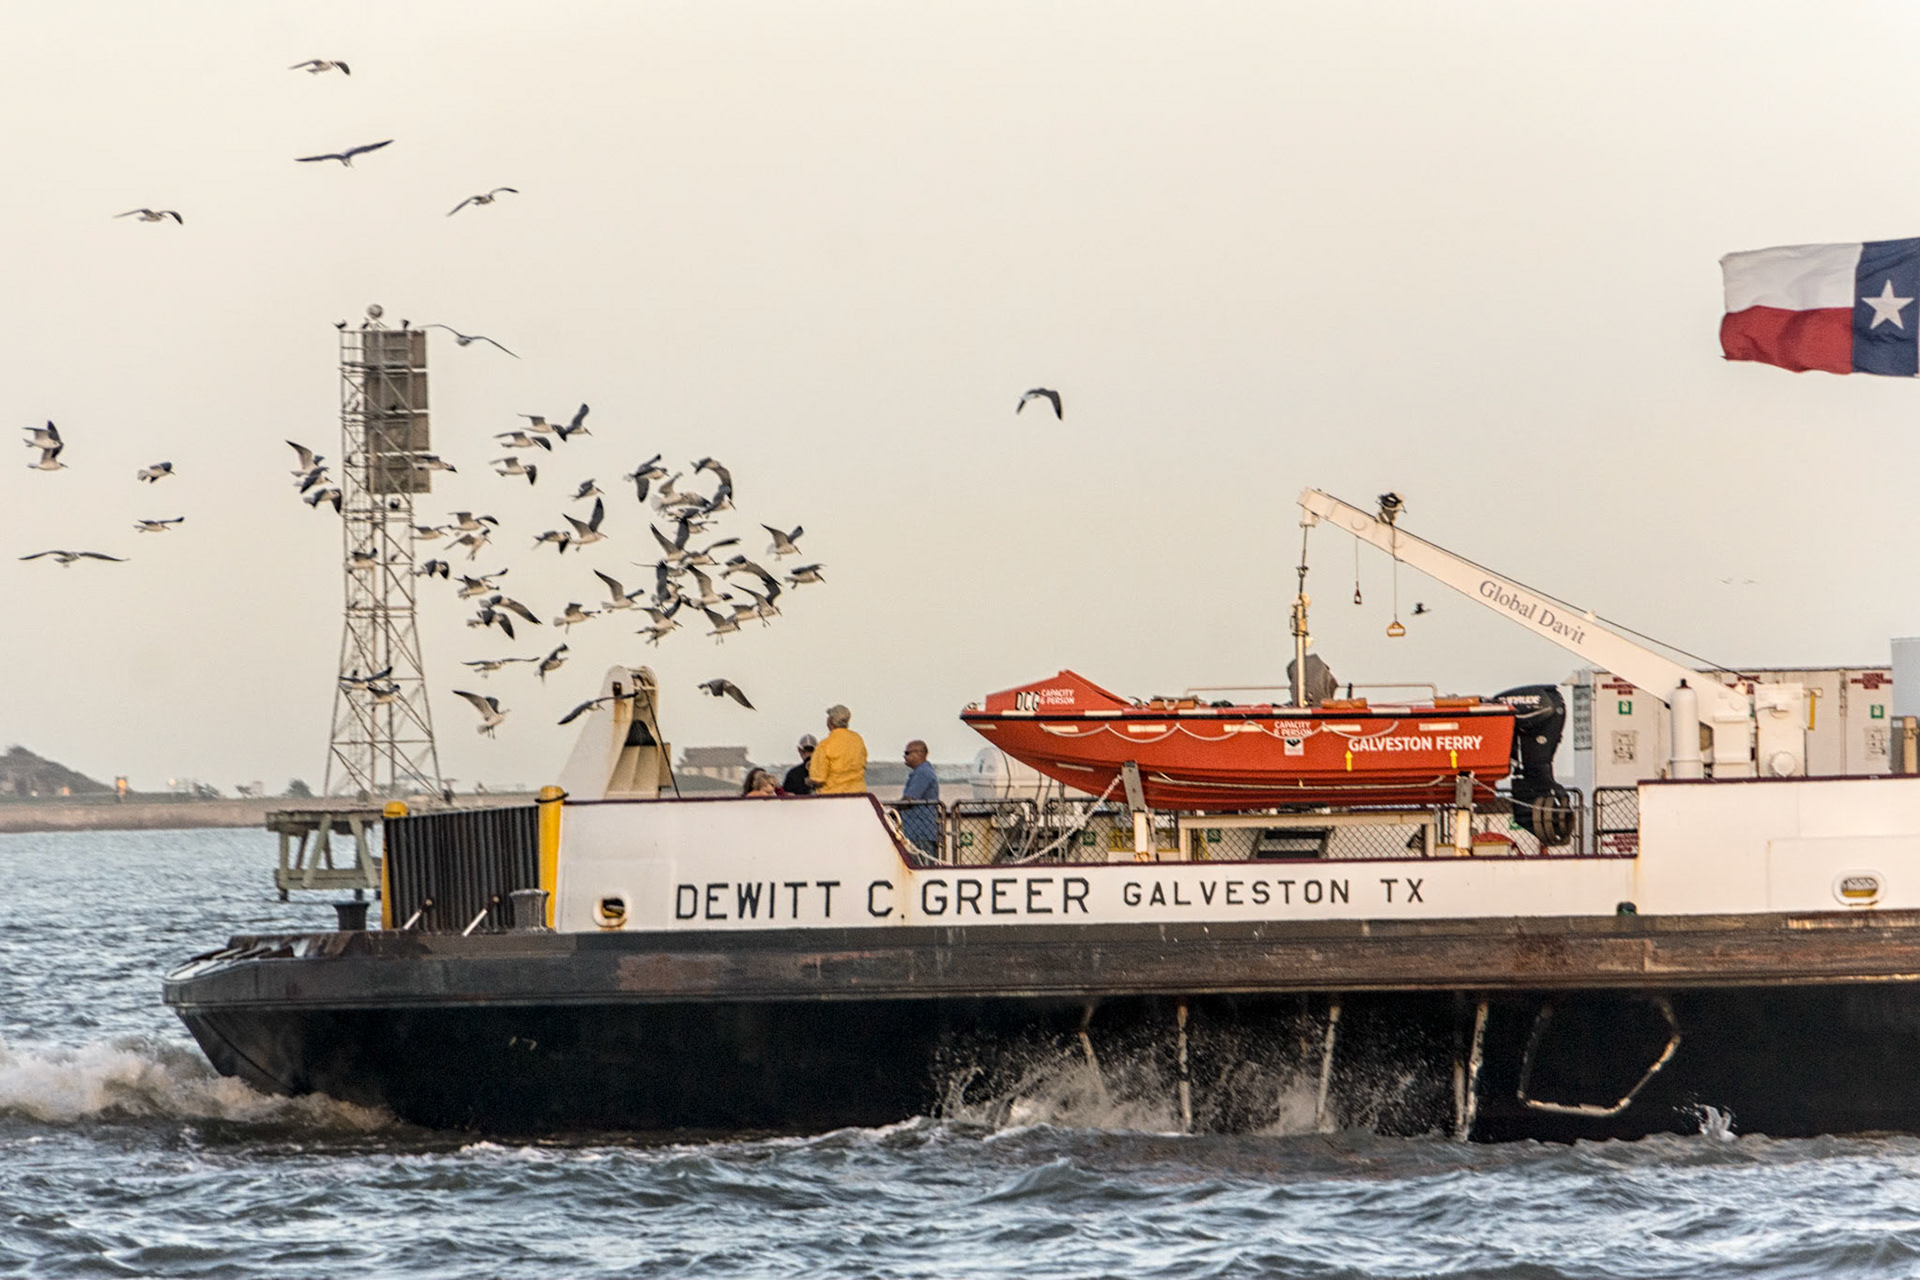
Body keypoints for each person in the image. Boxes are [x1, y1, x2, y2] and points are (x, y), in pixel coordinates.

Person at [807, 704, 868, 795]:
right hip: (859, 795)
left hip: (833, 797)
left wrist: (808, 781)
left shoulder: (825, 745)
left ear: (830, 721)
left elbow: (819, 779)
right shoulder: (858, 740)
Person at [898, 739, 940, 856]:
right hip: (917, 832)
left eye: (907, 753)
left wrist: (891, 811)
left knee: (922, 866)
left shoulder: (923, 773)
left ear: (920, 753)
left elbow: (909, 799)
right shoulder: (921, 772)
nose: (904, 756)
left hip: (920, 833)